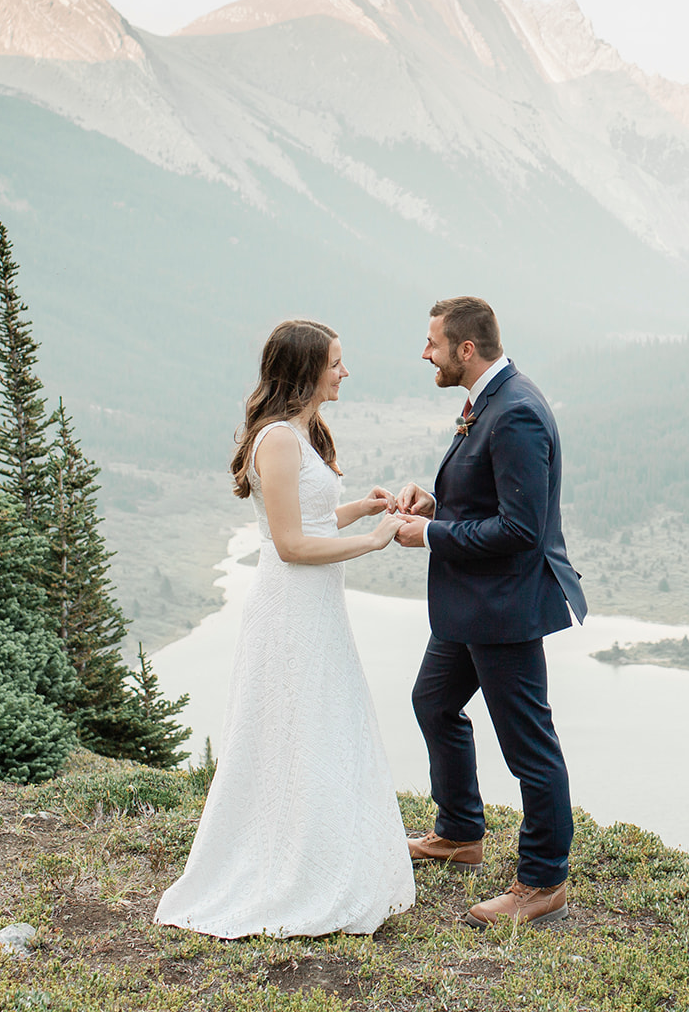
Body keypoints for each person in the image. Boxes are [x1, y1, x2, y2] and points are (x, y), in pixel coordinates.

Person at [155, 319, 414, 938]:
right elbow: (292, 545)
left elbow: (311, 515)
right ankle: (289, 868)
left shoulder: (302, 433)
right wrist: (372, 540)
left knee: (324, 723)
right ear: (306, 371)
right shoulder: (276, 438)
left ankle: (325, 856)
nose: (344, 372)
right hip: (291, 610)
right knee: (293, 730)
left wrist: (364, 507)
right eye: (336, 362)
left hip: (317, 608)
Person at [392, 296, 588, 928]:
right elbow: (485, 499)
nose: (427, 353)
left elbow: (520, 530)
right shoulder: (490, 404)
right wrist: (436, 506)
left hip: (504, 607)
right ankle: (460, 832)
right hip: (473, 604)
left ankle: (542, 883)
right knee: (433, 701)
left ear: (466, 349)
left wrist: (433, 536)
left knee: (530, 745)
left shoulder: (518, 414)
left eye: (434, 343)